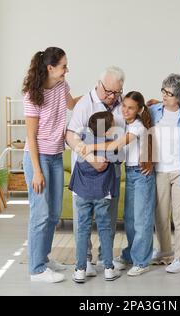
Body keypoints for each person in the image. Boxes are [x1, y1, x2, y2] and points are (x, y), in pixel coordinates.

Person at [83, 91, 156, 277]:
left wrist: (90, 147)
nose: (125, 110)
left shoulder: (138, 126)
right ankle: (131, 255)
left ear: (139, 110)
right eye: (124, 106)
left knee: (142, 219)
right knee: (130, 219)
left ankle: (142, 260)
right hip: (130, 173)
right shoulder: (125, 122)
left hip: (141, 175)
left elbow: (116, 146)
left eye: (131, 108)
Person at [22, 47, 79, 283]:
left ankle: (44, 259)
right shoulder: (31, 95)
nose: (67, 70)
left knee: (54, 213)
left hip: (56, 156)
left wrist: (97, 94)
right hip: (38, 158)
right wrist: (36, 171)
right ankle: (36, 269)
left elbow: (72, 104)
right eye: (64, 66)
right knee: (40, 213)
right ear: (50, 68)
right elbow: (31, 137)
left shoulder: (62, 87)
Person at [66, 66, 128, 277]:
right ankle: (85, 262)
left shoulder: (122, 104)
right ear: (99, 84)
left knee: (107, 222)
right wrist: (91, 158)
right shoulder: (85, 103)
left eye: (117, 93)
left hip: (109, 179)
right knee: (82, 225)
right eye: (108, 92)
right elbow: (71, 136)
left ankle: (105, 259)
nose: (112, 97)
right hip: (86, 176)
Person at [149, 74, 180, 274]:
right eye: (163, 90)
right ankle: (164, 250)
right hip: (159, 170)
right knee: (160, 215)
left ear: (179, 97)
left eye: (169, 93)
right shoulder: (153, 111)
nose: (164, 95)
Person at [69, 111, 122, 283]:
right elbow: (120, 160)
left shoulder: (83, 142)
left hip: (82, 192)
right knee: (104, 229)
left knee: (82, 229)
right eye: (113, 124)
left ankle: (80, 270)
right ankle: (108, 268)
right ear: (107, 131)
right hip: (102, 193)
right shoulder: (112, 146)